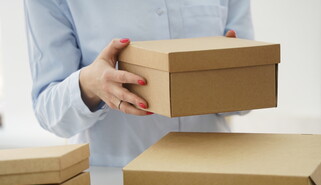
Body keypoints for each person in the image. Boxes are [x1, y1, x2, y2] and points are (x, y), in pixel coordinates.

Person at [24, 0, 254, 167]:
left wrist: (235, 82)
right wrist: (89, 85)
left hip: (216, 169)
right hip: (114, 180)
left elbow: (249, 95)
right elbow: (48, 111)